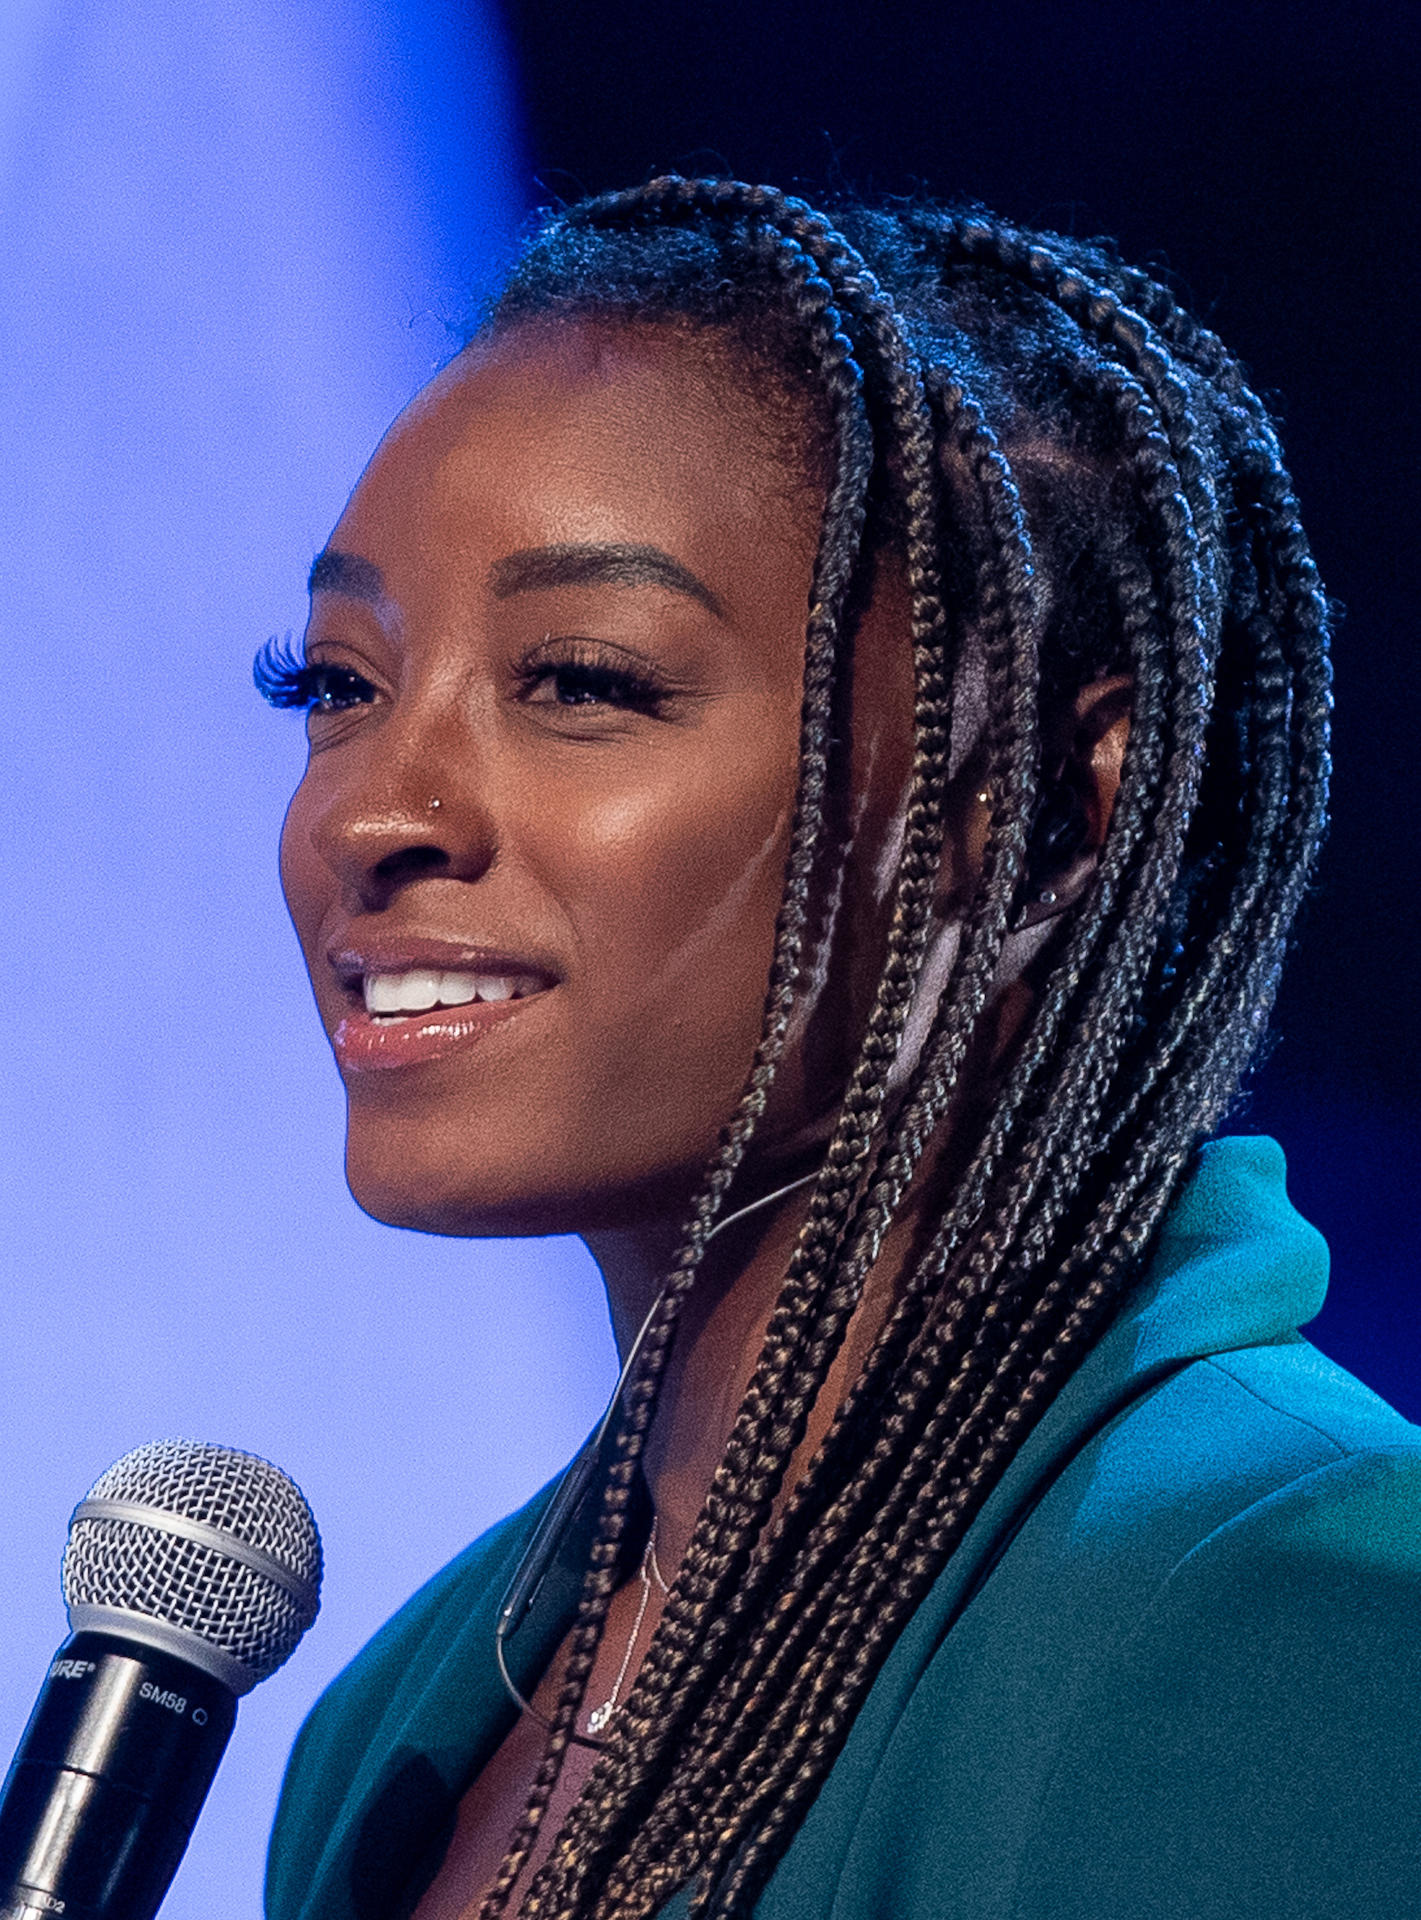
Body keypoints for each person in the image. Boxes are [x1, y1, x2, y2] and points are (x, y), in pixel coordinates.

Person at [258, 178, 1421, 1920]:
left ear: (1037, 817)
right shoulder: (395, 1733)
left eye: (580, 680)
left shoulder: (1287, 1615)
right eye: (333, 684)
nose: (374, 811)